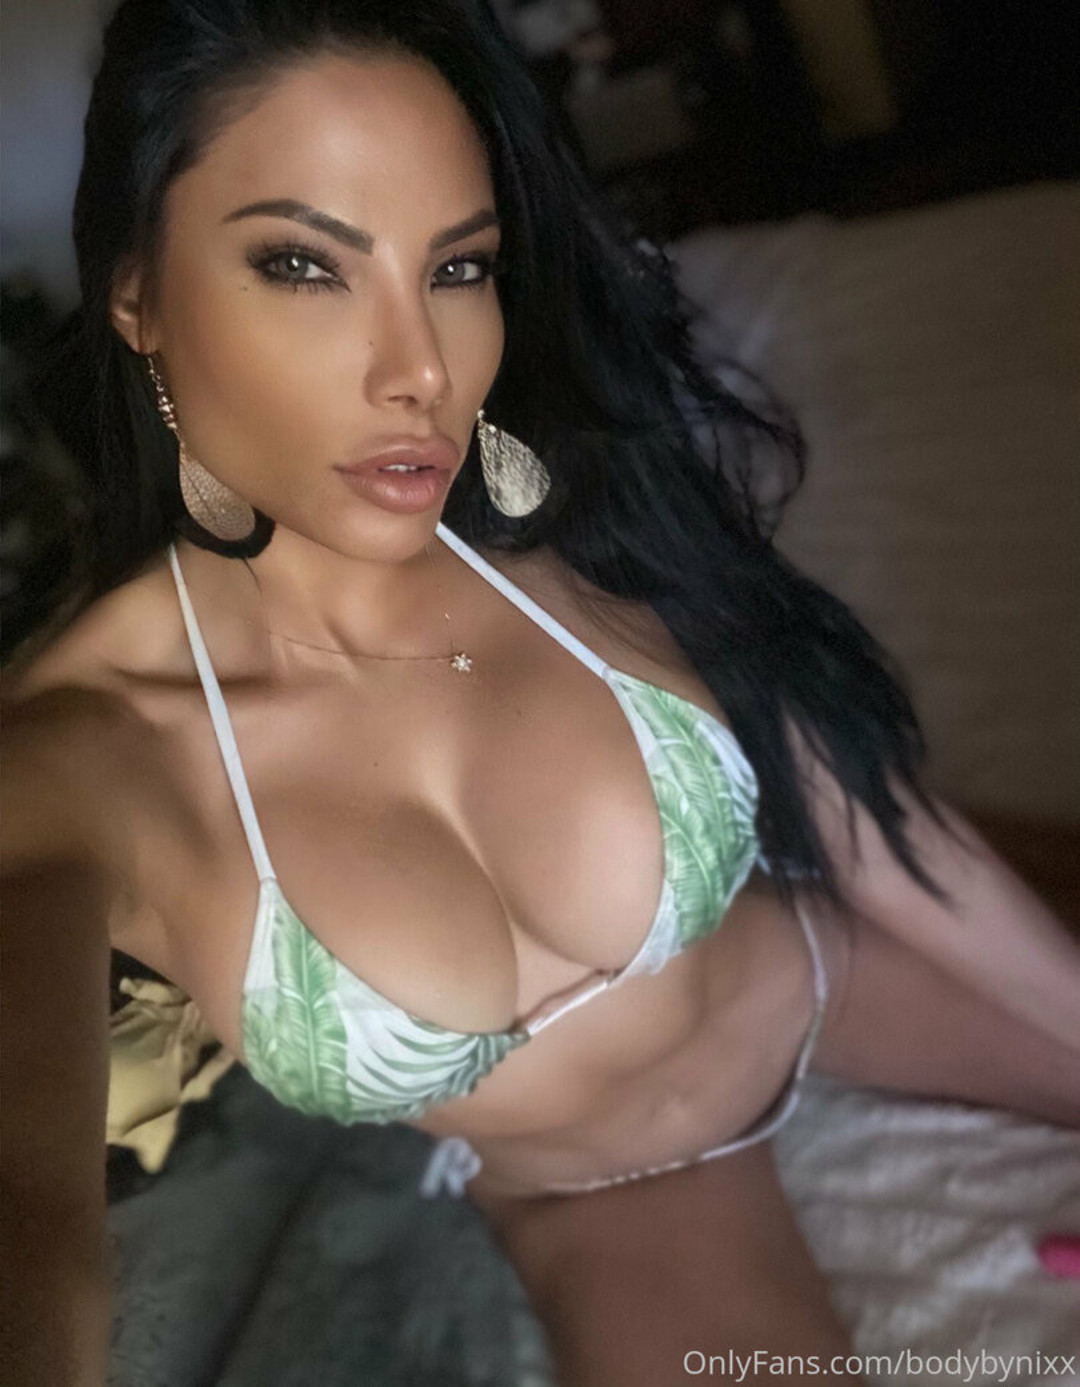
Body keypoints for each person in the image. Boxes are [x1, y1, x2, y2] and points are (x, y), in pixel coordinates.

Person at [2, 2, 1077, 1383]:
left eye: (459, 268)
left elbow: (850, 798)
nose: (423, 372)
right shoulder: (77, 759)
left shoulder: (554, 507)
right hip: (602, 1193)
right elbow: (30, 1226)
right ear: (139, 294)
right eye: (305, 266)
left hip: (822, 974)